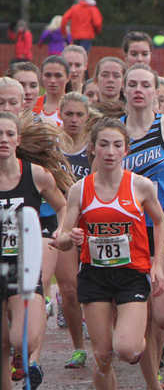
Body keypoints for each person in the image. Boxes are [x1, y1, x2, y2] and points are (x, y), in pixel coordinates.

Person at [51, 118, 164, 390]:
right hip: (95, 276)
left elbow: (160, 223)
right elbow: (63, 235)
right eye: (103, 144)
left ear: (126, 150)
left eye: (117, 145)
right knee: (102, 355)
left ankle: (138, 342)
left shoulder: (141, 186)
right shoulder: (80, 189)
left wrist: (157, 264)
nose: (110, 151)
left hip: (131, 274)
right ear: (92, 149)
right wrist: (67, 237)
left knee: (128, 350)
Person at [119, 64, 164, 390]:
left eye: (146, 85)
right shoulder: (114, 131)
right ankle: (153, 385)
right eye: (132, 84)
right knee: (145, 314)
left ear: (156, 90)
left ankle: (157, 357)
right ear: (124, 89)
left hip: (163, 225)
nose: (139, 90)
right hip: (128, 230)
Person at [0, 111, 70, 390]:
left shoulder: (36, 174)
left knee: (21, 340)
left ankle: (23, 356)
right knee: (1, 344)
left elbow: (63, 204)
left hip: (22, 265)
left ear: (18, 139)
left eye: (8, 134)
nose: (3, 140)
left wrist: (61, 229)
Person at [56, 93, 93, 369]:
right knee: (69, 289)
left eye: (79, 114)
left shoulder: (95, 146)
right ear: (60, 113)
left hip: (93, 220)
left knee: (103, 283)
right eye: (69, 114)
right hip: (64, 220)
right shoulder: (50, 144)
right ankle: (78, 347)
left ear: (87, 116)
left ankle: (110, 338)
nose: (74, 119)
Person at [34, 56, 70, 126]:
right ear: (41, 77)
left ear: (68, 77)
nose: (52, 80)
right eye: (48, 75)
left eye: (58, 76)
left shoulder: (74, 107)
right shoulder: (33, 105)